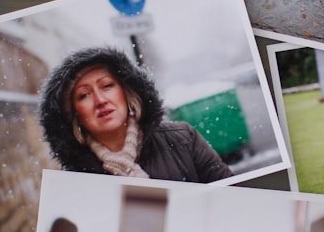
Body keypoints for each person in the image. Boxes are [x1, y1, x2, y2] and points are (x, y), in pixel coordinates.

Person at [39, 47, 235, 182]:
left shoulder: (183, 139)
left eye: (107, 86)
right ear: (74, 113)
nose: (100, 100)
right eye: (84, 95)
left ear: (126, 91)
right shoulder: (76, 182)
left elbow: (233, 198)